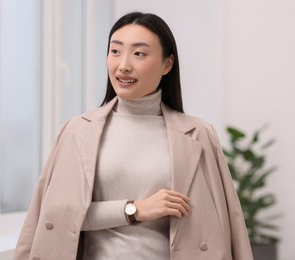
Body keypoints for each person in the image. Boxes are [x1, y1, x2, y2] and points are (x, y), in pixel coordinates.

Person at [14, 12, 253, 260]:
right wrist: (134, 209)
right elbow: (56, 217)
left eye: (139, 53)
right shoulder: (75, 131)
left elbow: (230, 225)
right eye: (115, 51)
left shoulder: (199, 135)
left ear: (167, 64)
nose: (123, 64)